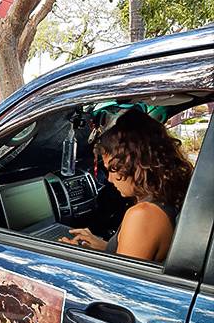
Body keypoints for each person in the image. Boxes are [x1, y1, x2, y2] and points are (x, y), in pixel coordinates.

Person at [60, 108, 193, 262]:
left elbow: (116, 283)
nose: (109, 179)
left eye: (112, 169)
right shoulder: (166, 198)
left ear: (136, 164)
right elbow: (136, 259)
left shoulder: (143, 215)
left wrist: (73, 257)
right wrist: (104, 247)